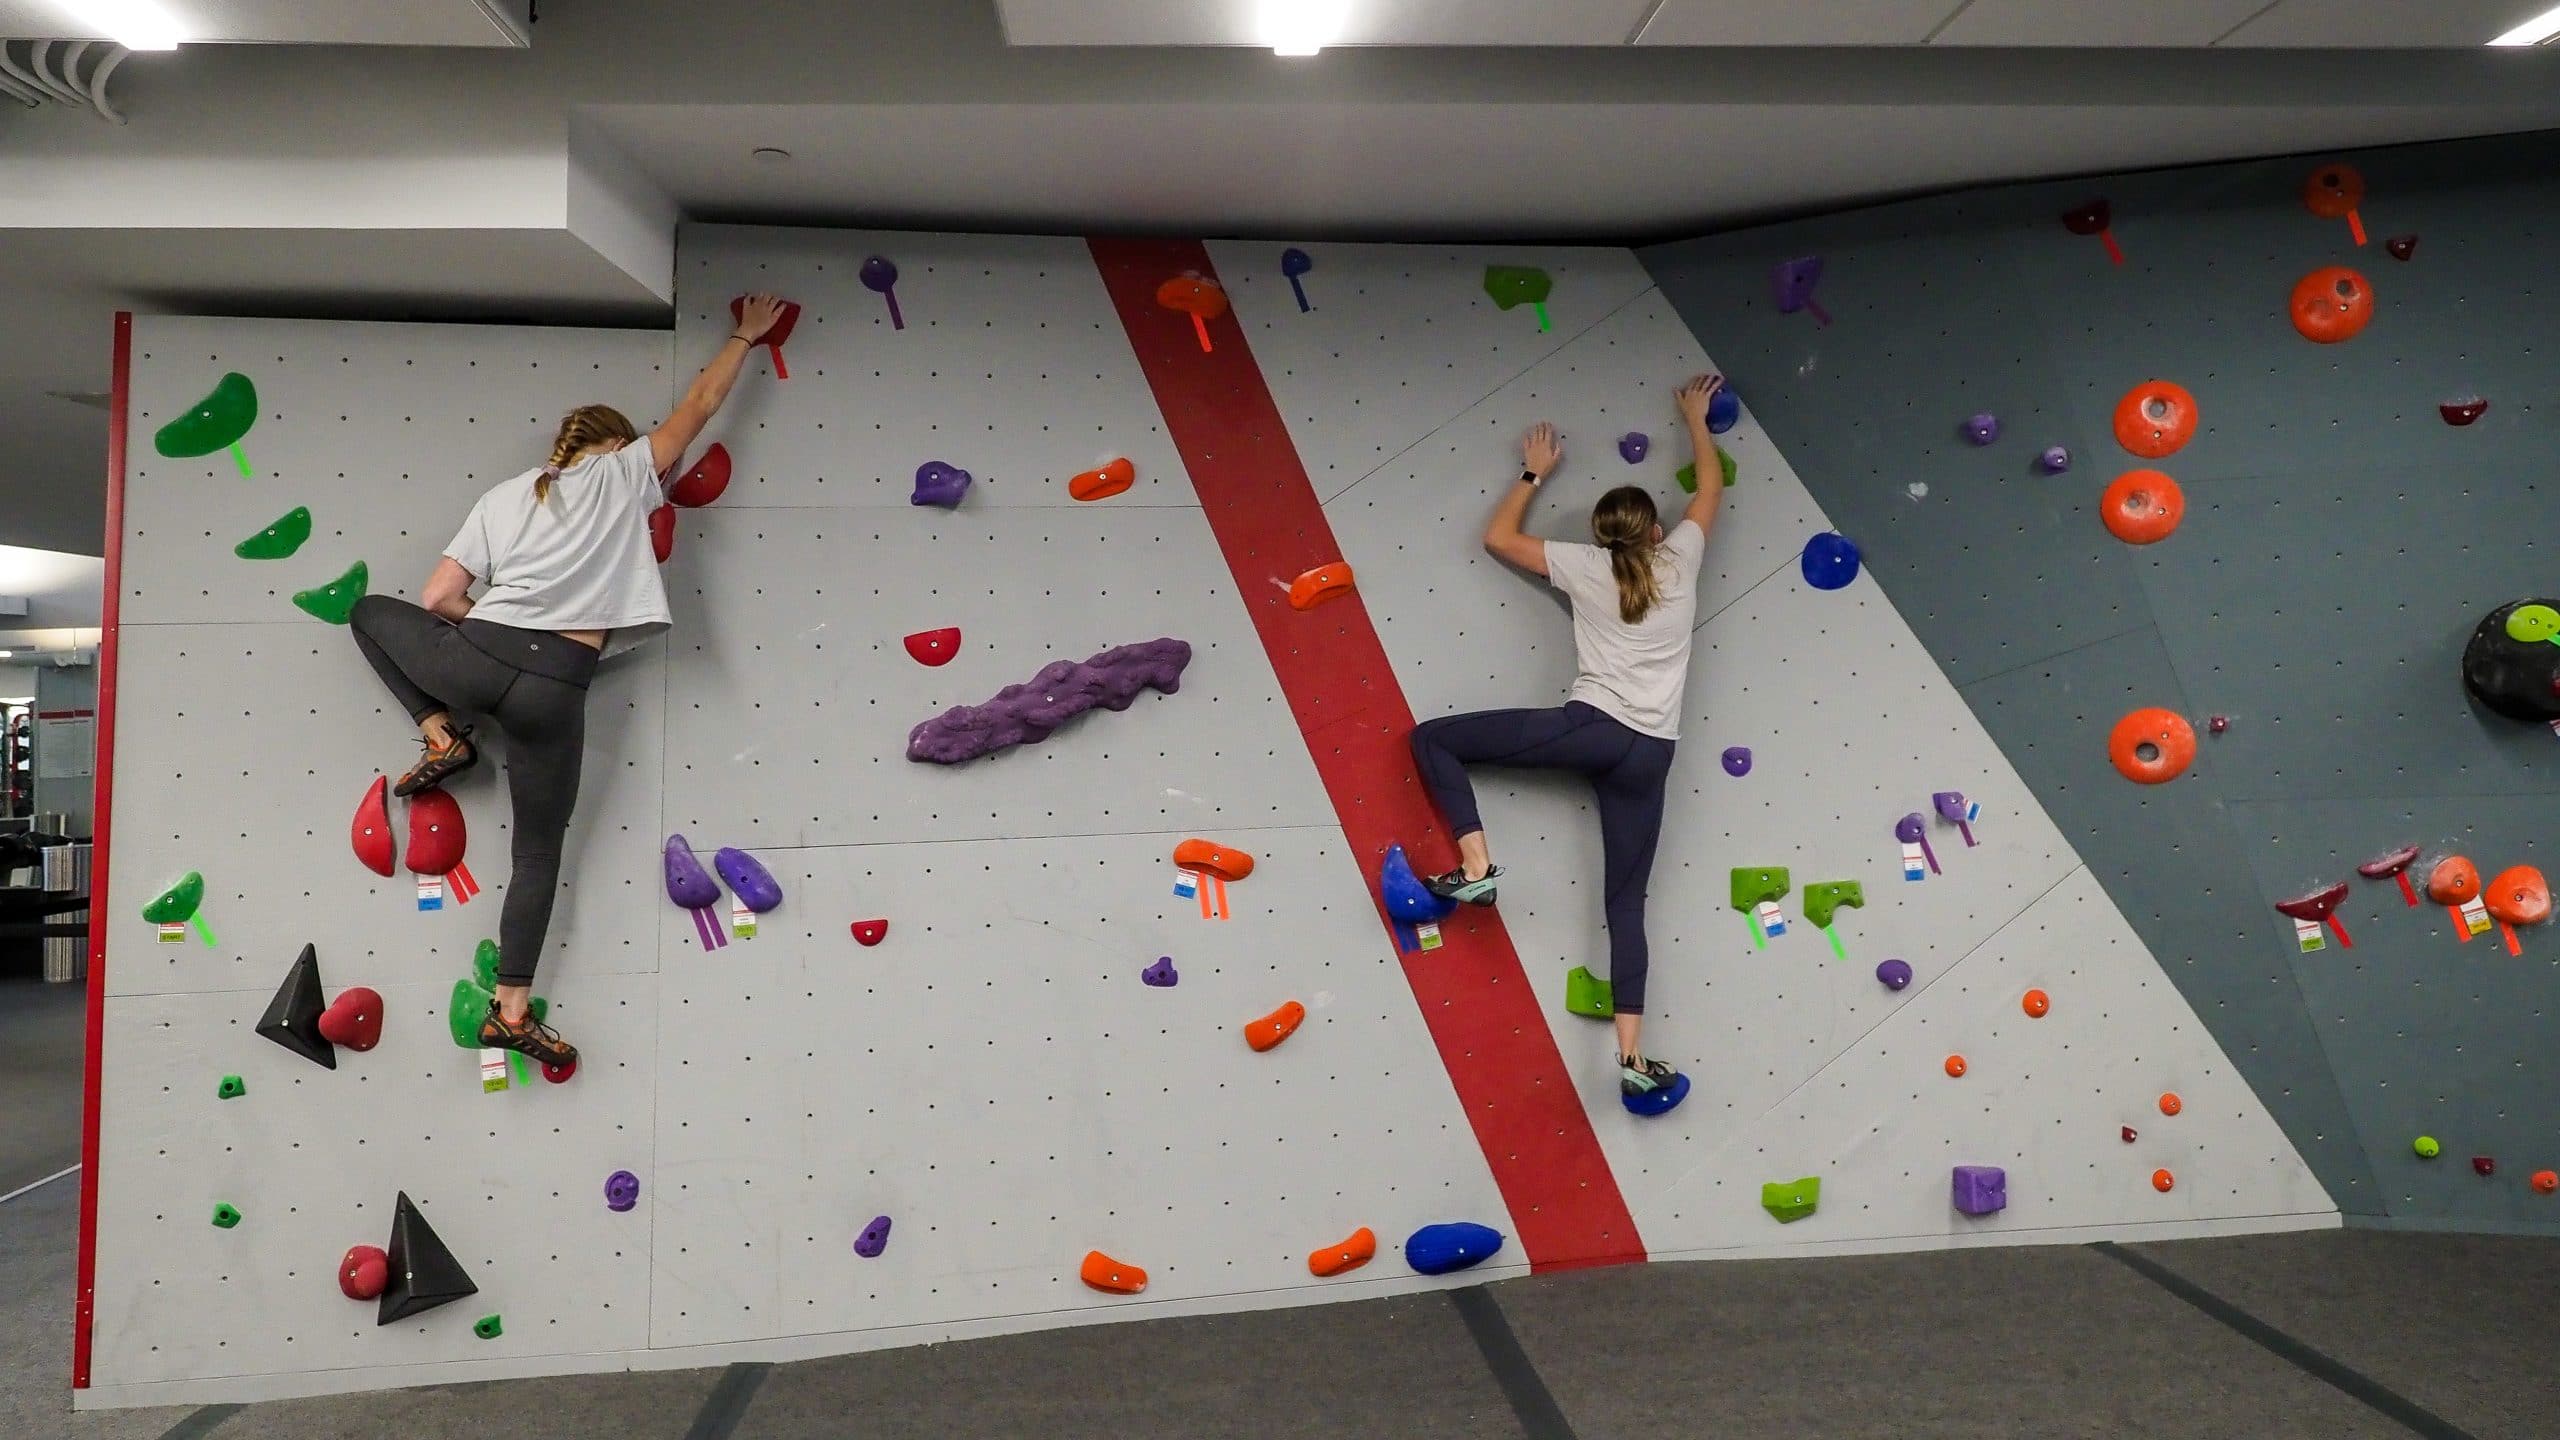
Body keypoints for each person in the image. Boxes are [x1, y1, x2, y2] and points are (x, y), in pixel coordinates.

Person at [345, 295, 792, 1066]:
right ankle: (510, 1009)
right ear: (615, 443)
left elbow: (434, 601)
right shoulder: (626, 472)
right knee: (539, 856)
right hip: (557, 691)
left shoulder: (503, 496)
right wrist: (745, 335)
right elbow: (703, 403)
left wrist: (495, 630)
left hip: (478, 657)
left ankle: (438, 734)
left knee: (366, 611)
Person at [1408, 374, 1727, 1104]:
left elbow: (1496, 538)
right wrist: (1695, 420)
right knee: (1626, 904)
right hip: (1651, 757)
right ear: (1654, 531)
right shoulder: (1680, 560)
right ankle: (1632, 1054)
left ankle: (1477, 863)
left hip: (1591, 731)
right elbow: (1710, 489)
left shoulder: (1584, 566)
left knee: (1434, 740)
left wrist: (1532, 472)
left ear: (1600, 536)